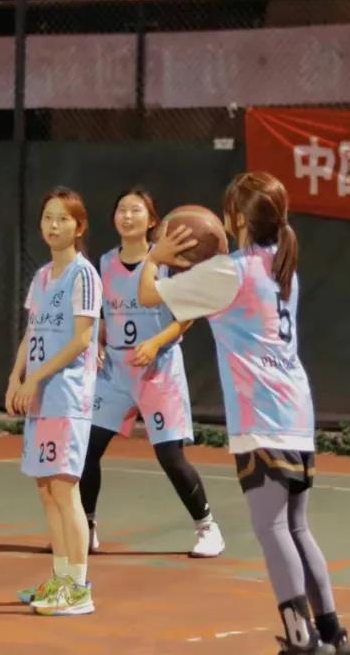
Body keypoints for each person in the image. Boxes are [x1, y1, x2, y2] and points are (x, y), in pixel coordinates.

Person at [139, 171, 350, 655]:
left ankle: (301, 640)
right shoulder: (281, 268)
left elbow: (148, 295)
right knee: (297, 527)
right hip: (296, 412)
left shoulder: (230, 272)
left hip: (260, 415)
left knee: (272, 528)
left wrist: (155, 259)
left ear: (236, 218)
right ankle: (333, 634)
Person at [80, 186, 224, 558]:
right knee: (86, 450)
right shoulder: (104, 263)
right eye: (121, 209)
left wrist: (156, 343)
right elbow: (103, 316)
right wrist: (98, 342)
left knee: (170, 457)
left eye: (136, 210)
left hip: (159, 369)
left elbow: (186, 317)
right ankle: (86, 527)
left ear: (153, 221)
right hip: (116, 370)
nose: (127, 216)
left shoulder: (167, 262)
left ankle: (208, 527)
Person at [8, 187, 103, 617]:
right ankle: (61, 578)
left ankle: (79, 588)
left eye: (63, 218)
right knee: (46, 490)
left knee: (65, 489)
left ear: (79, 227)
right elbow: (32, 332)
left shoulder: (83, 275)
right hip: (40, 396)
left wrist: (36, 378)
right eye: (48, 217)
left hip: (66, 396)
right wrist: (15, 377)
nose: (54, 225)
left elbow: (83, 339)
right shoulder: (43, 276)